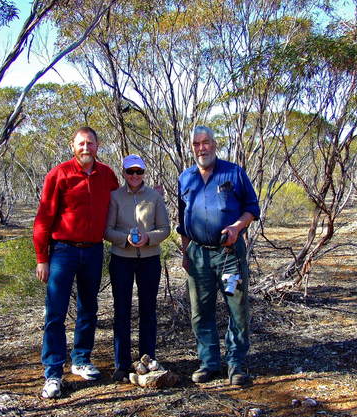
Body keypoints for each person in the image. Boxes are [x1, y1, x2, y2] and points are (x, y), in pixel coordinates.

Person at [33, 126, 119, 398]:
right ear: (73, 146)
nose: (86, 148)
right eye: (81, 143)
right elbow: (44, 217)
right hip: (63, 251)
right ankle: (53, 373)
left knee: (89, 308)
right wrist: (42, 258)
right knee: (55, 313)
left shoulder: (107, 175)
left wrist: (149, 195)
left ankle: (81, 359)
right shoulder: (59, 174)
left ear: (98, 145)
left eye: (90, 143)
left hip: (93, 250)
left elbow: (122, 203)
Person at [177, 126, 260, 386]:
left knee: (237, 308)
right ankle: (209, 363)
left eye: (206, 143)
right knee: (200, 312)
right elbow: (183, 218)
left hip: (229, 254)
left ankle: (236, 364)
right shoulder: (185, 177)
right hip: (198, 254)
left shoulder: (234, 172)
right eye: (196, 144)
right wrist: (185, 251)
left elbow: (251, 208)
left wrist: (237, 227)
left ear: (214, 144)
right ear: (192, 148)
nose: (202, 148)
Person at [104, 154, 170, 382]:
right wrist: (125, 239)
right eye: (130, 172)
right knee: (121, 311)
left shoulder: (154, 197)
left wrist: (147, 238)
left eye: (138, 172)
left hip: (149, 260)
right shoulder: (114, 197)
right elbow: (107, 230)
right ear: (123, 173)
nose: (134, 176)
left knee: (148, 311)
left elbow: (164, 229)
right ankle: (121, 364)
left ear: (144, 173)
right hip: (121, 259)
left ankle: (148, 358)